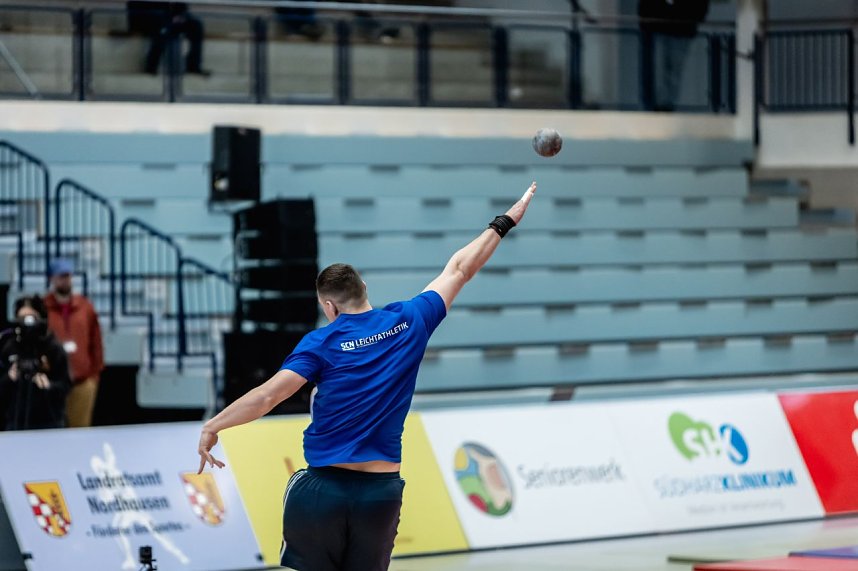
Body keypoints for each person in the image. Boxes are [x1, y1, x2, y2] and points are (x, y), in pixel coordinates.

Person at [197, 181, 538, 571]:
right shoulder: (409, 320)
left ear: (329, 306)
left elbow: (267, 397)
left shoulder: (321, 342)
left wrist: (215, 425)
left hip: (322, 489)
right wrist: (504, 222)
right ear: (365, 289)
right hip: (381, 493)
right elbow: (460, 269)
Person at [44, 258, 105, 428]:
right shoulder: (43, 308)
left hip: (81, 381)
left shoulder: (85, 307)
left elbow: (96, 342)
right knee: (51, 430)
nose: (65, 280)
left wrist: (94, 375)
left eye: (68, 276)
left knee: (80, 431)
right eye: (61, 276)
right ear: (51, 279)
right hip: (52, 382)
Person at [0, 295, 71, 430]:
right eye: (21, 318)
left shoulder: (53, 348)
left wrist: (49, 386)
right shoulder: (9, 348)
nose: (26, 324)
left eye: (31, 319)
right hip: (16, 420)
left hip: (49, 421)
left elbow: (66, 385)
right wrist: (9, 378)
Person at [638, 0, 711, 111]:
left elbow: (700, 9)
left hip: (680, 29)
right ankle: (656, 107)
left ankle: (664, 108)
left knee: (671, 72)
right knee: (655, 70)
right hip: (656, 27)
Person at [127, 1, 210, 76]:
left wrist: (180, 15)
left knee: (196, 24)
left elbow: (180, 5)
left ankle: (193, 66)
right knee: (163, 24)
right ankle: (151, 67)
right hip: (145, 13)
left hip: (168, 15)